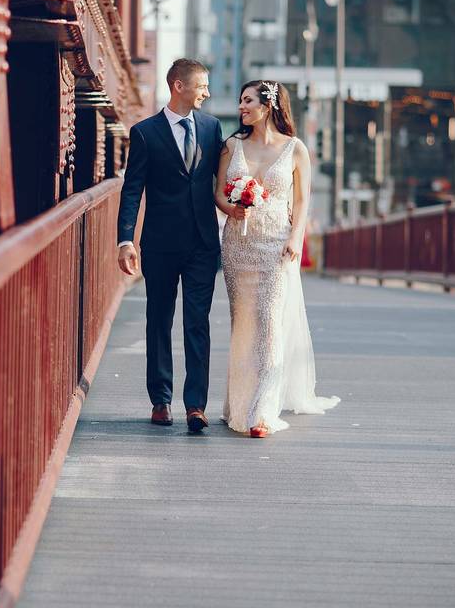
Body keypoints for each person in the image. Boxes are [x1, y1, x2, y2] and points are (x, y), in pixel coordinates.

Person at [214, 80, 339, 437]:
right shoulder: (231, 146)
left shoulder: (296, 149)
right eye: (240, 101)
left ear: (267, 105)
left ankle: (261, 411)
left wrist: (297, 239)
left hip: (275, 244)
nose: (241, 107)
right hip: (238, 245)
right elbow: (217, 193)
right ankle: (238, 402)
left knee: (269, 323)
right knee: (244, 324)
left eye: (247, 101)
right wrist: (231, 208)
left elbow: (301, 201)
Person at [117, 59, 224, 432]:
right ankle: (161, 400)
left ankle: (196, 405)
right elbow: (132, 190)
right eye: (201, 87)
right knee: (158, 321)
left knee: (198, 323)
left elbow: (220, 180)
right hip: (160, 243)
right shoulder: (145, 133)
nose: (207, 94)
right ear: (178, 86)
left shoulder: (212, 129)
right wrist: (125, 239)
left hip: (203, 243)